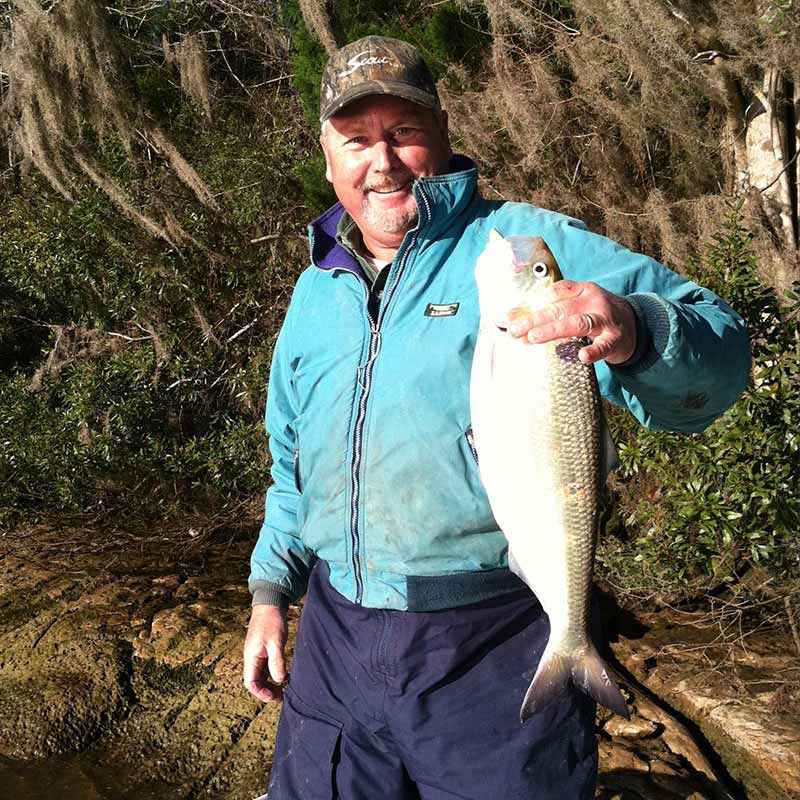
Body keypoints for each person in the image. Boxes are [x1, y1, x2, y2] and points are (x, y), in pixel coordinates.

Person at [243, 35, 750, 799]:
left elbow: (721, 358)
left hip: (492, 645)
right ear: (327, 158)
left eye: (403, 133)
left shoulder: (524, 249)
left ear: (442, 135)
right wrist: (268, 593)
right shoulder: (315, 287)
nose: (380, 161)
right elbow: (294, 464)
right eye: (356, 140)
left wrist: (638, 326)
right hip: (336, 648)